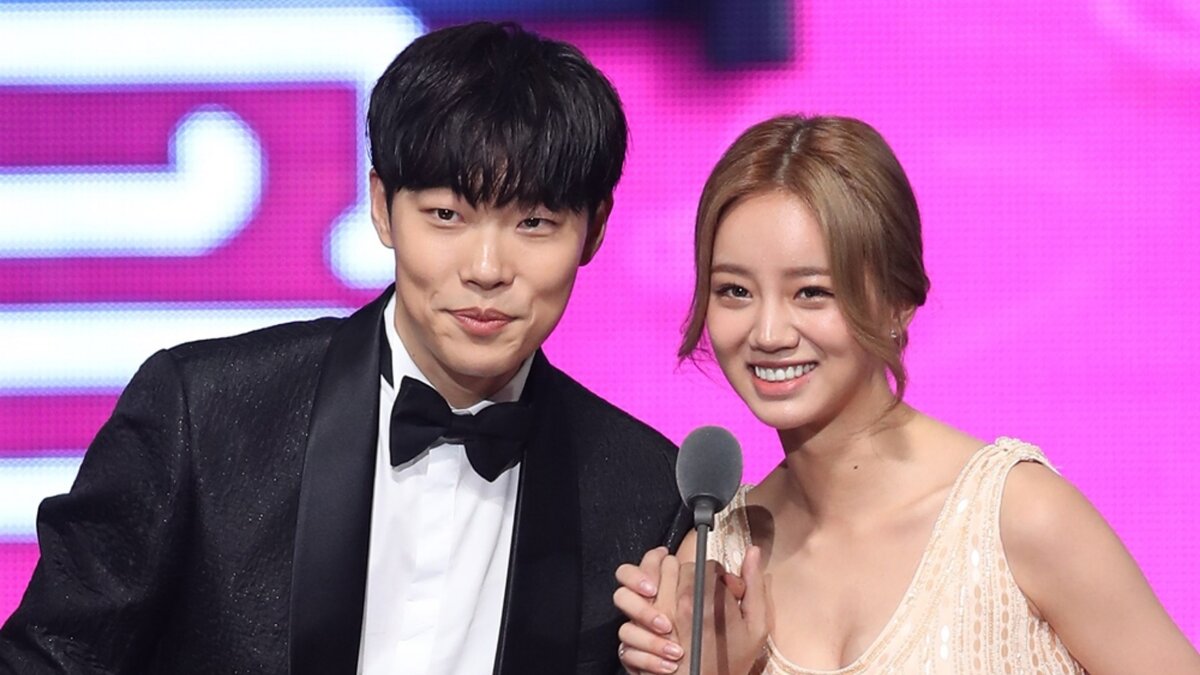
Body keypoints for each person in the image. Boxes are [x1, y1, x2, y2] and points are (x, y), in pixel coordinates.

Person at [0, 22, 685, 675]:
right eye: (446, 215)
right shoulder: (203, 414)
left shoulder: (646, 491)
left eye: (533, 223)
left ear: (594, 230)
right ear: (382, 206)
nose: (485, 268)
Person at [612, 115, 1200, 674]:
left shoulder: (1017, 518)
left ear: (899, 302)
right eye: (735, 291)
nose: (767, 333)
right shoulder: (711, 565)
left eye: (812, 292)